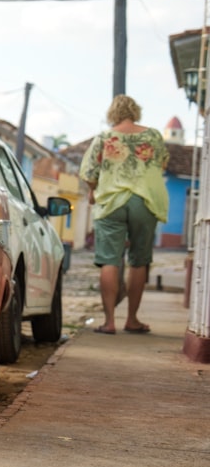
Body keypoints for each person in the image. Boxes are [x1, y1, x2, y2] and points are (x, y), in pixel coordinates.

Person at [79, 94, 169, 335]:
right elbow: (162, 164)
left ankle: (109, 322)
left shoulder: (104, 137)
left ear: (113, 114)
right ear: (135, 111)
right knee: (139, 261)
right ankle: (132, 320)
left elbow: (89, 172)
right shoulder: (153, 136)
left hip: (111, 202)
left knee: (109, 259)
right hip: (145, 200)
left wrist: (91, 192)